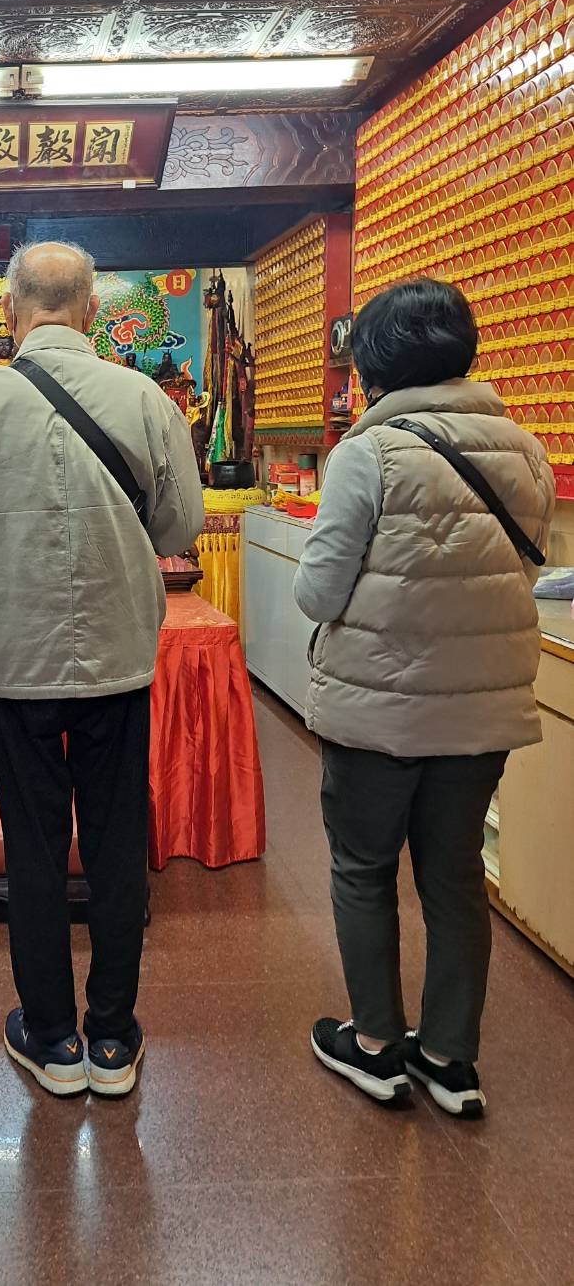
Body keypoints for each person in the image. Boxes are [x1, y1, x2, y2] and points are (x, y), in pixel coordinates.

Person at [0, 240, 204, 1099]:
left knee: (34, 846)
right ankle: (112, 1036)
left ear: (10, 311)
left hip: (15, 658)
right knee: (116, 843)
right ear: (91, 310)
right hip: (117, 653)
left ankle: (51, 1036)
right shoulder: (145, 398)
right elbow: (179, 526)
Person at [294, 278, 554, 1117]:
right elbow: (526, 562)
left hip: (378, 709)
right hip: (481, 707)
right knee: (456, 876)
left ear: (372, 363)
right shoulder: (525, 448)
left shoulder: (367, 453)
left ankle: (376, 1045)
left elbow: (317, 591)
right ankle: (449, 1057)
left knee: (364, 868)